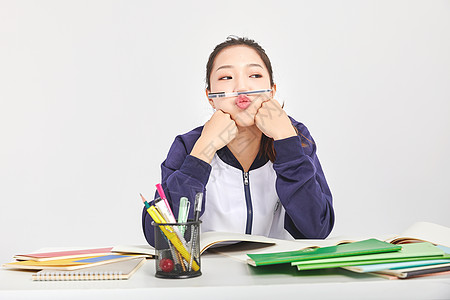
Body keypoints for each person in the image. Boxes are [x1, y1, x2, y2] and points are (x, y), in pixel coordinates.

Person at [142, 36, 334, 246]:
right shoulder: (189, 145)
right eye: (226, 77)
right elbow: (161, 239)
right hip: (206, 276)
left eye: (255, 74)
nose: (242, 87)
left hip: (273, 274)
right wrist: (203, 150)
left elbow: (317, 230)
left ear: (272, 90)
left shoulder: (294, 137)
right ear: (210, 97)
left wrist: (286, 142)